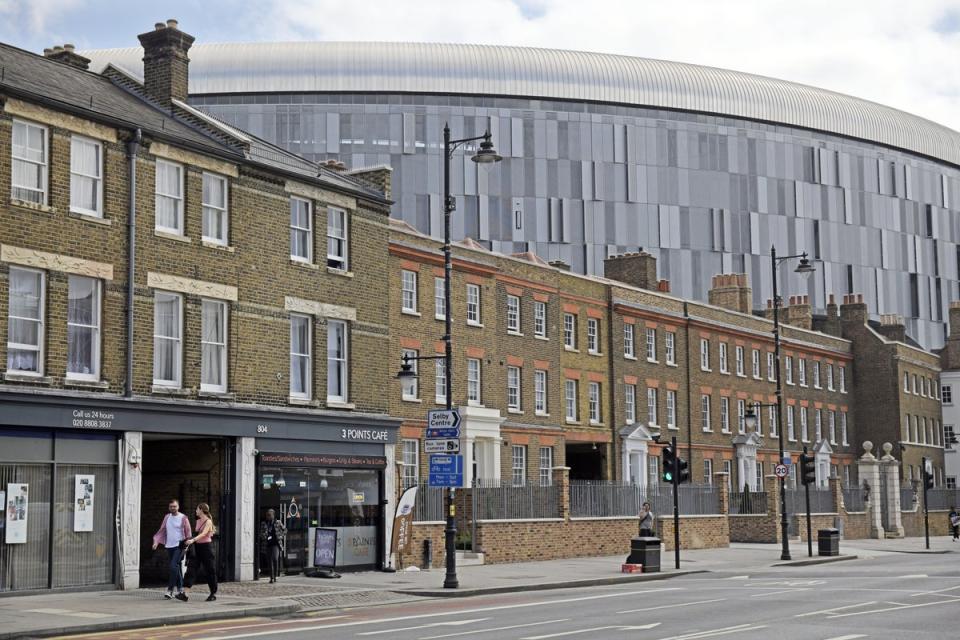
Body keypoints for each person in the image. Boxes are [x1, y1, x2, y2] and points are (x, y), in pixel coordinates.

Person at [152, 499, 192, 601]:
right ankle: (180, 589)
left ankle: (170, 590)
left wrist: (187, 545)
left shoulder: (183, 518)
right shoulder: (167, 517)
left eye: (174, 506)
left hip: (180, 545)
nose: (173, 508)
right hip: (169, 545)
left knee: (173, 566)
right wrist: (156, 542)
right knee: (176, 567)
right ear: (169, 507)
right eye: (171, 506)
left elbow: (188, 533)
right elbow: (162, 530)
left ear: (178, 507)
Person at [184, 503, 219, 601]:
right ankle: (185, 594)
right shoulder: (198, 521)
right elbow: (197, 534)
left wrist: (192, 540)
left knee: (210, 570)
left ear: (201, 510)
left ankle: (213, 593)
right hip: (197, 547)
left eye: (197, 509)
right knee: (191, 569)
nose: (196, 511)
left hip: (206, 548)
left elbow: (204, 534)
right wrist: (191, 544)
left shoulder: (208, 521)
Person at [259, 509, 286, 583]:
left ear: (273, 515)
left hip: (275, 544)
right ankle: (271, 577)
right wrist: (264, 535)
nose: (268, 516)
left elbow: (285, 530)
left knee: (275, 559)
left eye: (269, 515)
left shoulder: (278, 522)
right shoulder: (264, 523)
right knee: (269, 561)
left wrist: (280, 536)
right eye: (267, 515)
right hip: (267, 544)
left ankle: (276, 576)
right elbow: (261, 533)